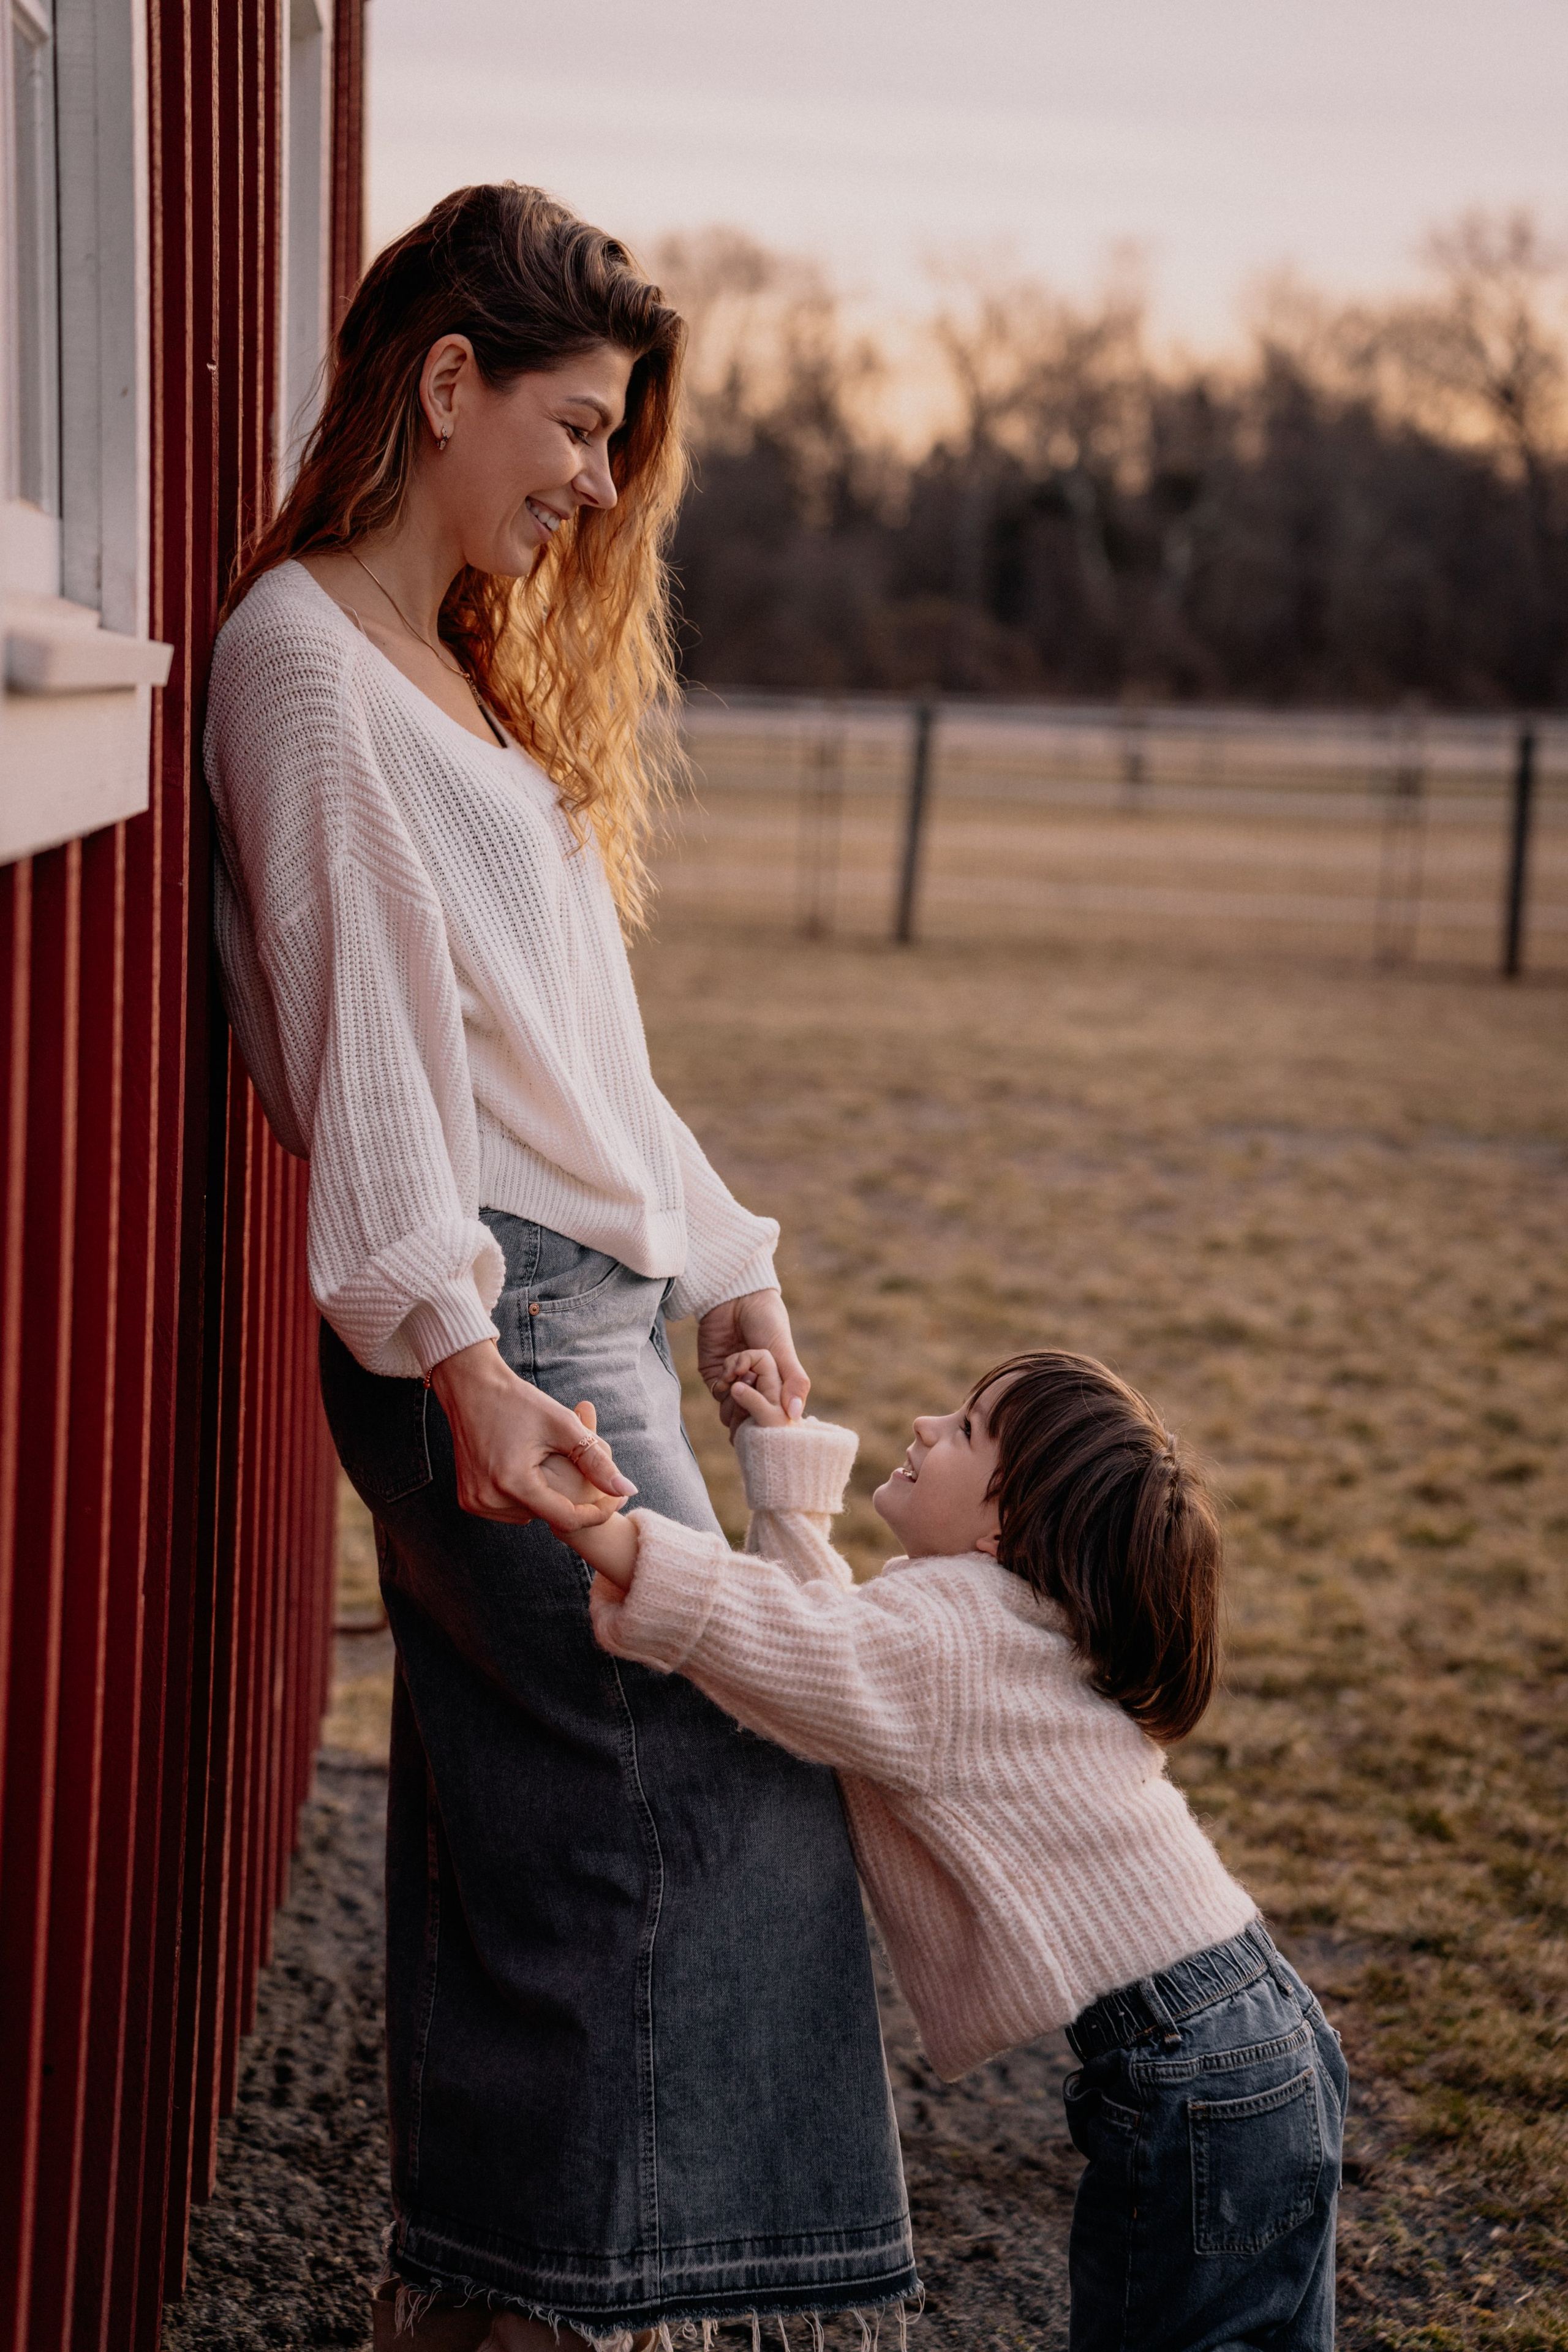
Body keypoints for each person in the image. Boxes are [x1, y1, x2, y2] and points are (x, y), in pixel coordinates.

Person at [203, 183, 914, 2351]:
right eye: (582, 429)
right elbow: (373, 1053)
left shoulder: (449, 670)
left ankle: (491, 2307)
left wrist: (721, 1265)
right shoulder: (312, 666)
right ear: (445, 386)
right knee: (695, 1777)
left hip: (564, 1306)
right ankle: (567, 2308)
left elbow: (563, 1038)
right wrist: (455, 1352)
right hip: (500, 1326)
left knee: (538, 1814)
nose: (604, 487)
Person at [559, 1348, 1349, 2352]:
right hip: (1261, 2029)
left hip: (1191, 2067)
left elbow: (809, 1650)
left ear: (1002, 1526)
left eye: (967, 1430)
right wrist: (783, 1473)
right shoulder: (996, 1623)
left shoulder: (952, 1638)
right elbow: (841, 1660)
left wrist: (612, 1538)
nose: (929, 1428)